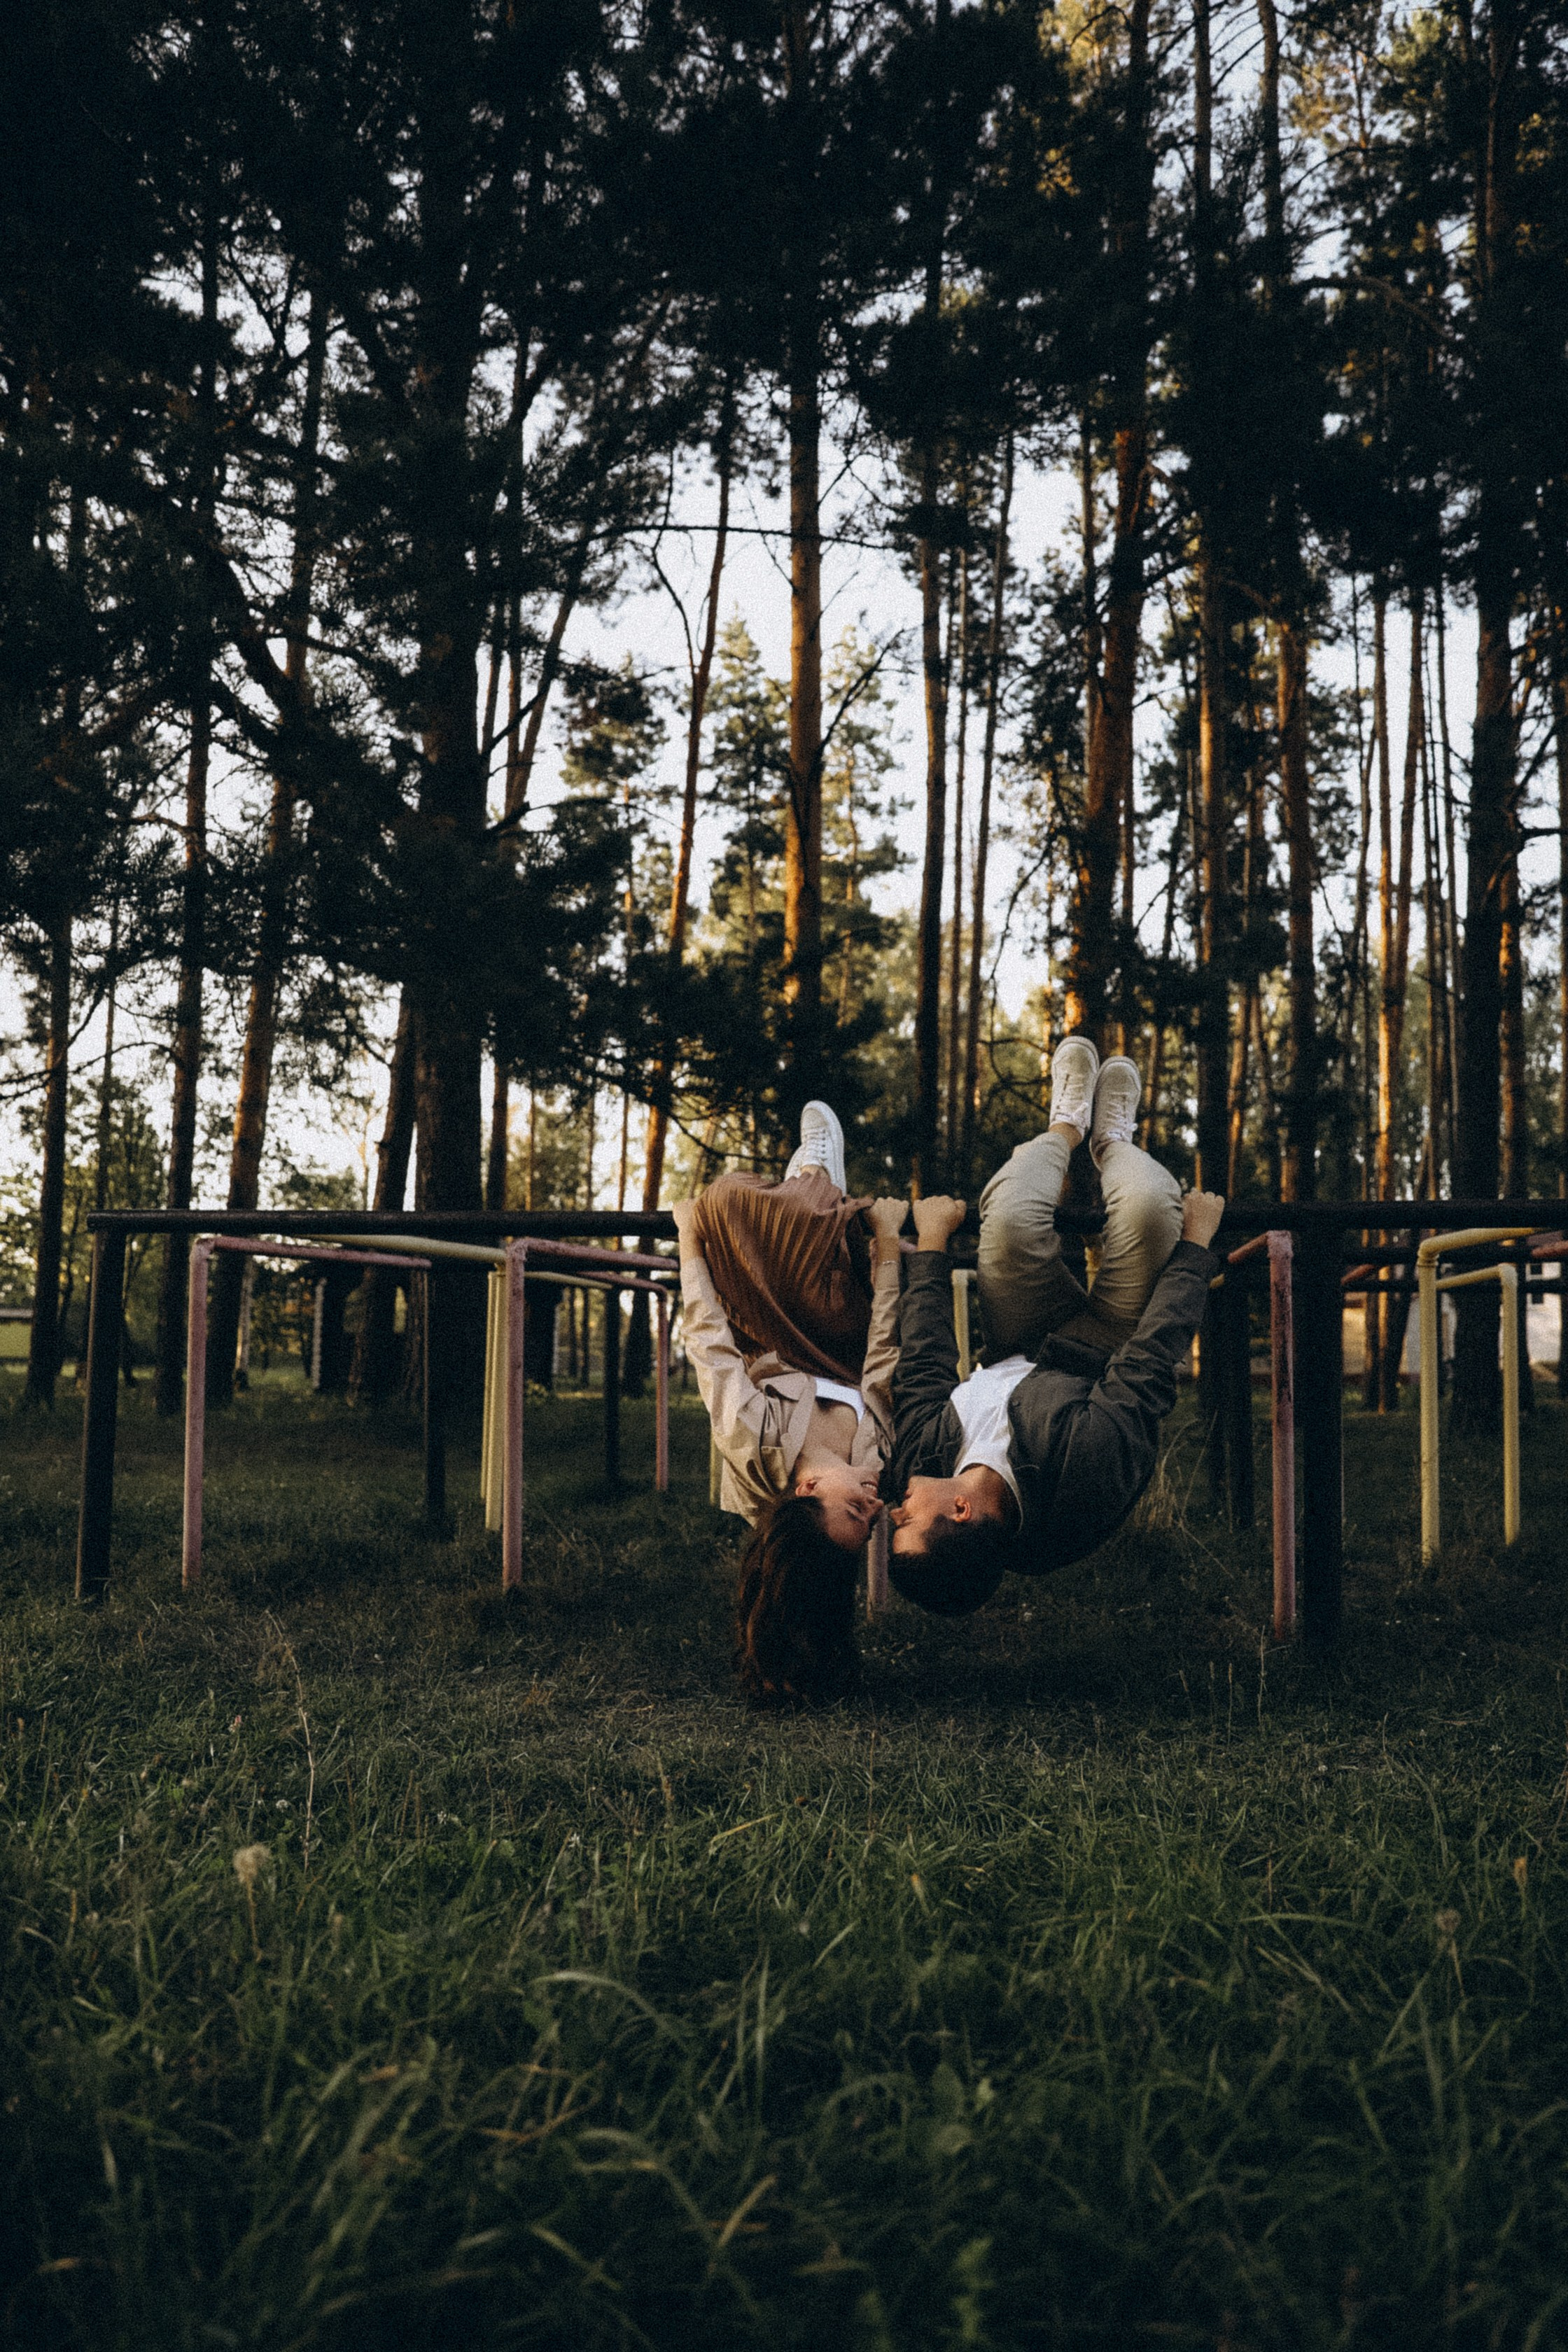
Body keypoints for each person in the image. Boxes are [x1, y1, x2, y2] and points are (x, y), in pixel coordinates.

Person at [884, 1035, 1226, 1616]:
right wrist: (1195, 1247)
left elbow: (921, 1366)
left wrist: (932, 1247)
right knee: (1149, 1208)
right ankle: (1113, 1141)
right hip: (1112, 1349)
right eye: (906, 1522)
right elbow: (1147, 1365)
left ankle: (1067, 1125)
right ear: (961, 1511)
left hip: (1019, 1332)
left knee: (1011, 1220)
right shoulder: (1082, 1483)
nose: (895, 1510)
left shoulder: (919, 1462)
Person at [671, 1101, 907, 1704]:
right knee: (828, 1237)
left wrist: (688, 1240)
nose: (876, 1506)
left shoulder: (753, 1441)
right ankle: (814, 1183)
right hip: (848, 1326)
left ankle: (812, 1180)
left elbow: (710, 1344)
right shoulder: (874, 1460)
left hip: (772, 1329)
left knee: (722, 1199)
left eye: (855, 1510)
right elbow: (883, 1357)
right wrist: (887, 1250)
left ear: (808, 1490)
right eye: (870, 1523)